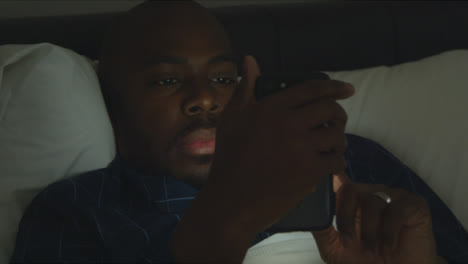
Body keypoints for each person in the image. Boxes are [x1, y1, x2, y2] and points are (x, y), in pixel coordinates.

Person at [10, 1, 468, 263]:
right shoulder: (78, 211)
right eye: (168, 80)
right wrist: (227, 216)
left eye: (223, 78)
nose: (205, 99)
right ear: (113, 102)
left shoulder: (349, 160)